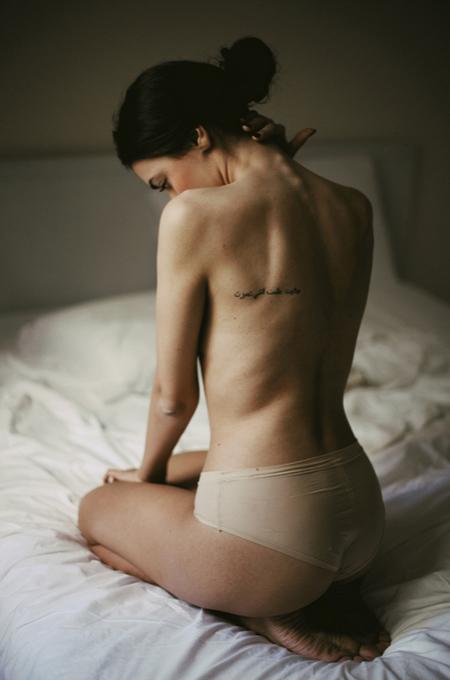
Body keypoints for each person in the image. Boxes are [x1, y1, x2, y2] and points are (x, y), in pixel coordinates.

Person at [78, 36, 391, 663]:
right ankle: (287, 585)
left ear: (199, 135)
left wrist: (146, 479)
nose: (173, 197)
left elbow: (173, 399)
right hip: (361, 517)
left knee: (98, 508)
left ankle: (256, 605)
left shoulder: (193, 217)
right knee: (196, 467)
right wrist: (274, 166)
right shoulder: (352, 207)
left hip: (270, 544)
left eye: (163, 181)